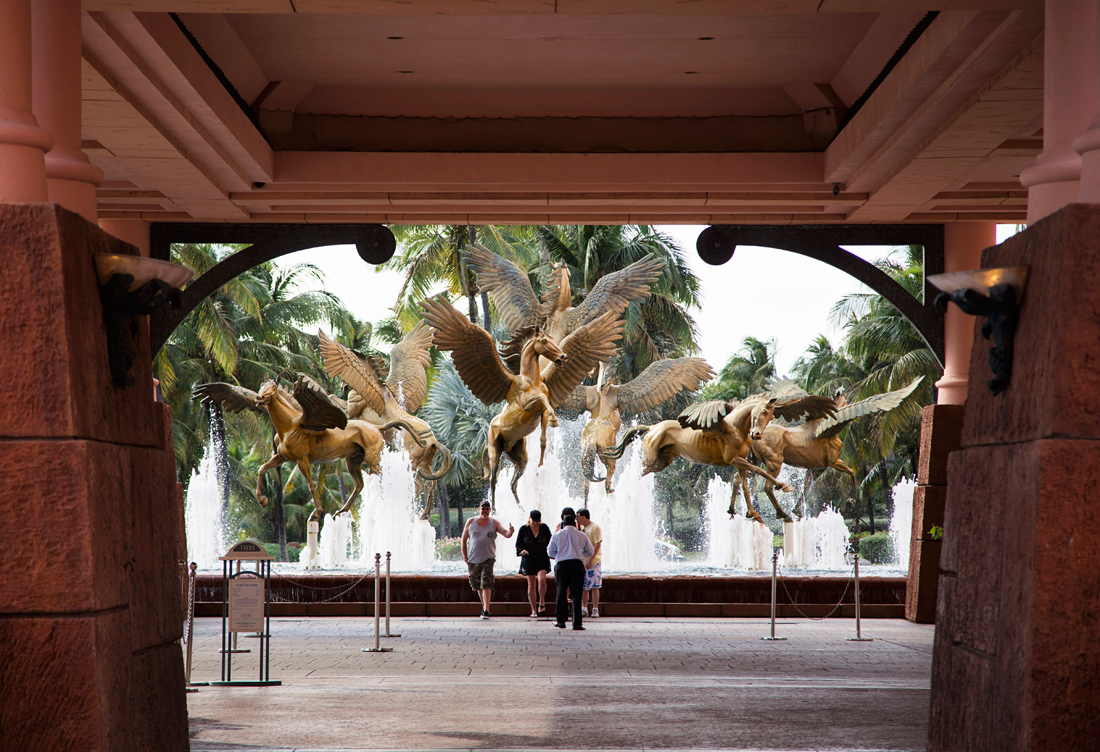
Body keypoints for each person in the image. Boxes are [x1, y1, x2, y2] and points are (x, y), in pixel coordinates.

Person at [462, 501, 514, 619]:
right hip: (473, 558)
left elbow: (506, 534)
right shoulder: (471, 521)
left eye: (487, 509)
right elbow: (463, 540)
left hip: (488, 558)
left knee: (486, 583)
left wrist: (510, 531)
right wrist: (465, 557)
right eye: (483, 509)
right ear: (479, 509)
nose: (485, 511)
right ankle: (484, 607)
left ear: (490, 510)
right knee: (477, 585)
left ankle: (486, 610)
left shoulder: (494, 522)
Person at [547, 514, 594, 631]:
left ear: (563, 524)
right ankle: (577, 623)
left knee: (561, 592)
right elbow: (590, 551)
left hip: (561, 565)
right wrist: (580, 553)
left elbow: (550, 552)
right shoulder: (582, 535)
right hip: (577, 565)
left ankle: (561, 621)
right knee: (576, 594)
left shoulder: (557, 535)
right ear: (575, 524)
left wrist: (559, 554)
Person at [516, 509, 551, 617]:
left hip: (542, 558)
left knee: (542, 580)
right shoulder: (523, 529)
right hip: (529, 558)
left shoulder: (544, 528)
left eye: (537, 520)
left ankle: (541, 603)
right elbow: (518, 544)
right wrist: (522, 551)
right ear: (529, 518)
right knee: (531, 584)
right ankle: (533, 610)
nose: (535, 523)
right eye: (533, 520)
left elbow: (551, 542)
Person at [577, 508, 603, 618]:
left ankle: (595, 609)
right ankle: (584, 608)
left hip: (593, 562)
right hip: (583, 562)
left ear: (583, 517)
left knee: (594, 586)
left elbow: (598, 544)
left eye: (578, 517)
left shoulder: (595, 527)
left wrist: (591, 559)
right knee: (584, 587)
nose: (576, 519)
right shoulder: (583, 529)